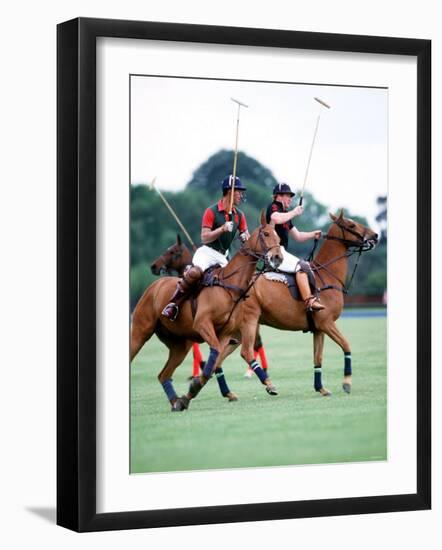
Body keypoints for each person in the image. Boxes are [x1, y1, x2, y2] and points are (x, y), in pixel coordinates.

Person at [162, 175, 249, 320]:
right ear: (230, 191)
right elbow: (204, 237)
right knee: (195, 273)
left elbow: (246, 235)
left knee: (235, 281)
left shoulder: (240, 215)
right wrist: (221, 229)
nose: (241, 195)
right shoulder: (212, 211)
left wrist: (245, 237)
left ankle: (230, 320)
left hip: (223, 256)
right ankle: (173, 304)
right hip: (207, 252)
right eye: (239, 191)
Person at [266, 182, 325, 311]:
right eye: (288, 196)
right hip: (273, 252)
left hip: (281, 252)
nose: (290, 199)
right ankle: (309, 301)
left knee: (306, 265)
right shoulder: (274, 207)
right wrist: (294, 212)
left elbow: (298, 236)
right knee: (302, 266)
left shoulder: (286, 215)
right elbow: (275, 219)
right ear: (279, 196)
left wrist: (312, 234)